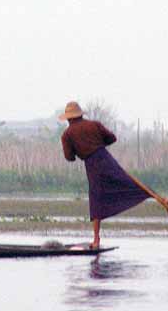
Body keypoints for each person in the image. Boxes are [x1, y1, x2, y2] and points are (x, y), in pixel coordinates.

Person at [59, 101, 149, 249]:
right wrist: (97, 145)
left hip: (93, 165)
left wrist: (80, 150)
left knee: (96, 199)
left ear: (69, 118)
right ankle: (161, 199)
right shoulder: (94, 125)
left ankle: (96, 239)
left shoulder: (67, 135)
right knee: (127, 182)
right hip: (106, 158)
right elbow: (112, 138)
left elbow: (69, 157)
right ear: (80, 115)